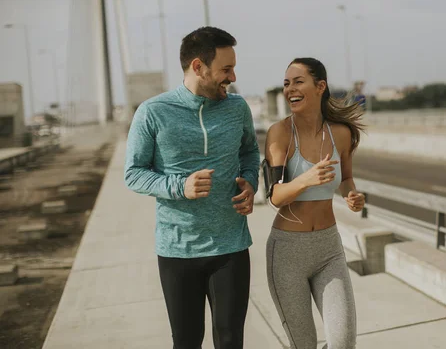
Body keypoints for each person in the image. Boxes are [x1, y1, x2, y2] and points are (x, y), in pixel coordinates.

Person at [124, 26, 260, 349]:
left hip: (231, 246)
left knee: (230, 341)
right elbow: (133, 173)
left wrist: (251, 182)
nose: (233, 76)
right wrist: (178, 186)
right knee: (186, 342)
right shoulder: (153, 113)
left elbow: (250, 151)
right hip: (177, 249)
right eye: (226, 69)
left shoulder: (237, 108)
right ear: (198, 67)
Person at [263, 57, 366, 349]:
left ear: (320, 86)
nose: (290, 89)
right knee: (304, 345)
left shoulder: (342, 134)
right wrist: (305, 180)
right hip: (287, 253)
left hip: (329, 249)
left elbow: (346, 179)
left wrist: (352, 196)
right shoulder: (280, 133)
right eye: (286, 83)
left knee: (343, 343)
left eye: (298, 82)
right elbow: (275, 196)